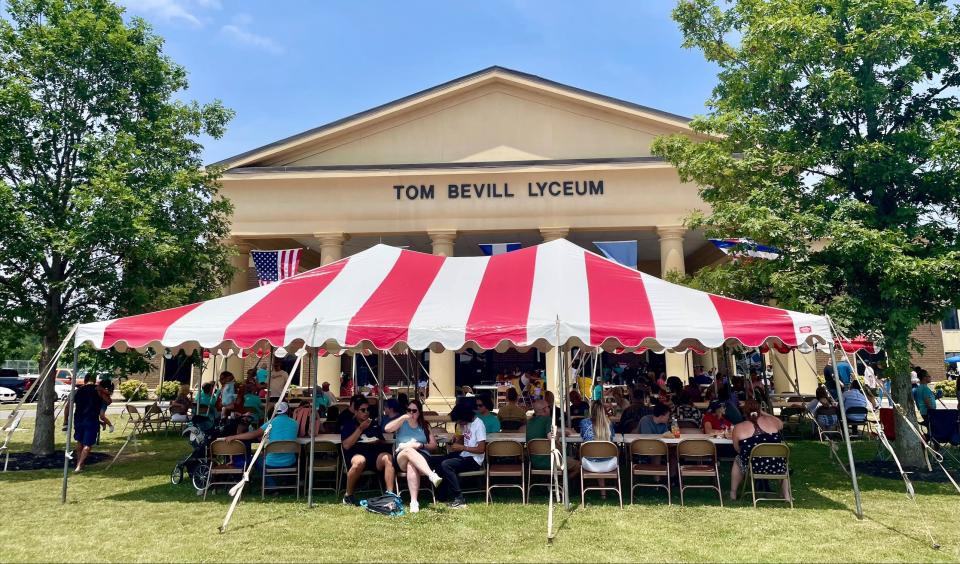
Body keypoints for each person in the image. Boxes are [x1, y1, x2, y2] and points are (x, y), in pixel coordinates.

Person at [384, 399, 442, 513]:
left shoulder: (424, 425)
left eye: (414, 411)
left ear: (419, 412)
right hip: (402, 457)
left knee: (412, 464)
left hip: (422, 456)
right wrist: (402, 418)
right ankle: (431, 474)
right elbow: (387, 429)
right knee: (408, 450)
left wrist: (419, 445)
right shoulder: (402, 423)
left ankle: (414, 502)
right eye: (409, 410)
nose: (411, 413)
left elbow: (433, 445)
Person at [223, 401, 299, 484]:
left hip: (271, 463)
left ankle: (272, 486)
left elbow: (253, 434)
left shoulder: (270, 423)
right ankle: (286, 483)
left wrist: (234, 436)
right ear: (288, 410)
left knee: (256, 458)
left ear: (274, 411)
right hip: (290, 462)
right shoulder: (295, 423)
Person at [340, 395, 395, 506]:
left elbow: (382, 440)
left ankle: (390, 495)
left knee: (388, 457)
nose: (366, 412)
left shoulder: (374, 424)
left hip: (374, 455)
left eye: (368, 409)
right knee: (360, 461)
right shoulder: (349, 425)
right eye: (363, 410)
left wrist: (377, 441)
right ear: (355, 412)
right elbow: (346, 445)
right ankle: (348, 496)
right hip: (356, 453)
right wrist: (360, 429)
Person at [729, 400, 789, 502]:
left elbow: (737, 449)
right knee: (782, 461)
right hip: (776, 466)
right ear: (760, 410)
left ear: (744, 412)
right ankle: (787, 495)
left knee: (738, 459)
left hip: (753, 467)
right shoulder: (772, 422)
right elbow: (781, 424)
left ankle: (733, 493)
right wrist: (763, 412)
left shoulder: (739, 427)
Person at [438, 399, 488, 509]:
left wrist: (462, 447)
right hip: (465, 455)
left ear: (465, 416)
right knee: (439, 460)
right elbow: (465, 440)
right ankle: (442, 494)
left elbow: (481, 449)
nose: (459, 423)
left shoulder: (479, 425)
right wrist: (458, 438)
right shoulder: (466, 424)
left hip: (475, 460)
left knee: (447, 464)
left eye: (460, 421)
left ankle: (459, 499)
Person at [525, 399, 580, 478]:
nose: (549, 409)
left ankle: (554, 481)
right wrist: (561, 445)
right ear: (544, 410)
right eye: (548, 407)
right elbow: (552, 438)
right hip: (551, 461)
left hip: (534, 461)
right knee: (579, 465)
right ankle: (565, 483)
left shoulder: (529, 422)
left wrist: (560, 433)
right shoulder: (548, 419)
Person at [71, 373, 103, 472]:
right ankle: (79, 465)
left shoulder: (78, 391)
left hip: (79, 419)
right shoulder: (98, 390)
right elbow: (108, 401)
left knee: (79, 441)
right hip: (91, 419)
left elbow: (70, 405)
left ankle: (79, 463)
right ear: (94, 380)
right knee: (88, 444)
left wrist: (65, 420)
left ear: (85, 380)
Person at [912, 369, 936, 436]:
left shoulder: (919, 388)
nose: (930, 377)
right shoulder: (924, 388)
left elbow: (923, 400)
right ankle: (925, 441)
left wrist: (935, 397)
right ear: (924, 377)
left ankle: (926, 442)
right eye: (929, 376)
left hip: (923, 412)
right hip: (928, 412)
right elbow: (927, 402)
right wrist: (933, 411)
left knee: (930, 429)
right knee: (933, 430)